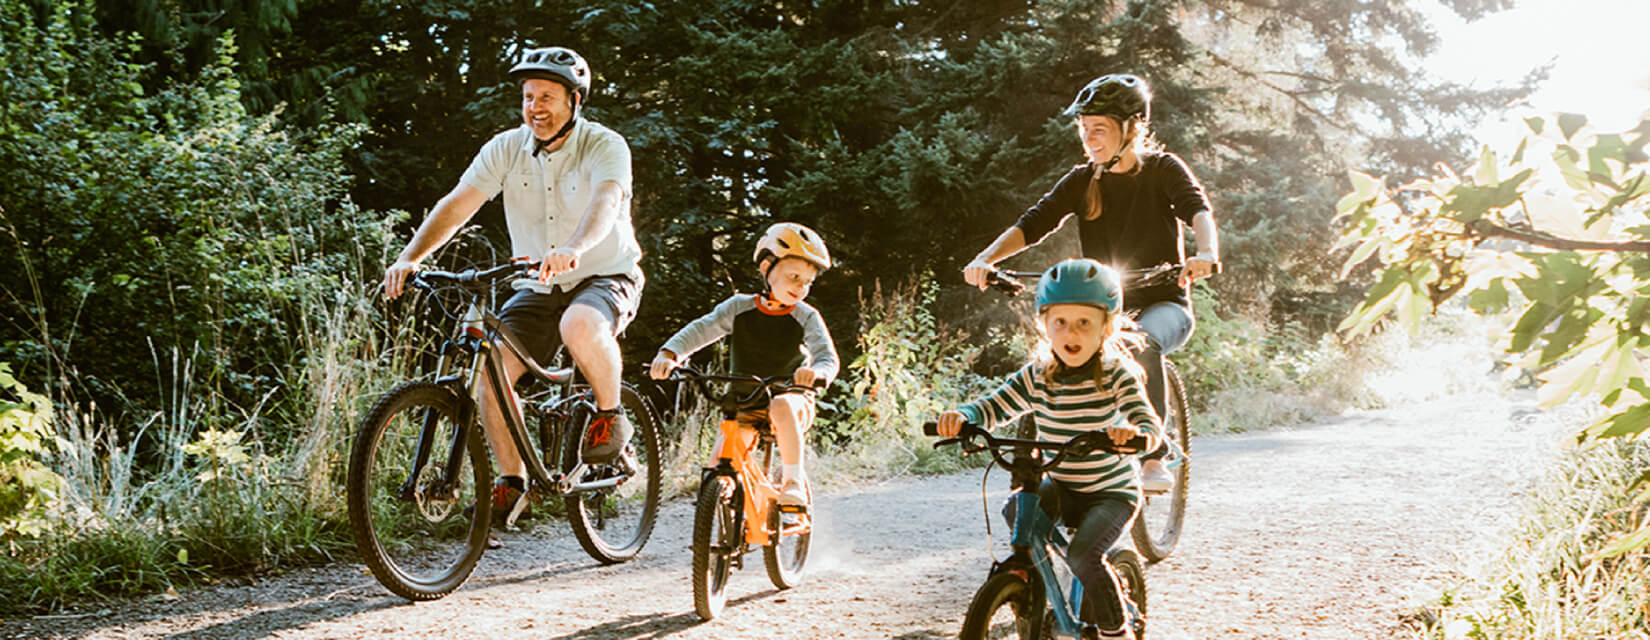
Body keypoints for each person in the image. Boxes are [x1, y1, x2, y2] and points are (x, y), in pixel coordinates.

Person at [381, 46, 642, 529]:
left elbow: (606, 202)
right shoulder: (506, 148)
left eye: (547, 96)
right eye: (528, 96)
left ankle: (611, 416)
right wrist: (410, 258)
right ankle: (513, 483)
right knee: (489, 371)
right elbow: (459, 203)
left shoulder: (605, 145)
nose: (535, 108)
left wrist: (576, 247)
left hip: (605, 272)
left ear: (574, 102)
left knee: (580, 324)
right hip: (538, 283)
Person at [962, 73, 1218, 492]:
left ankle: (1154, 454)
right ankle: (1036, 464)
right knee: (1052, 354)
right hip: (1102, 310)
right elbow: (1035, 222)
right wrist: (986, 259)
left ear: (1131, 128)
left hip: (1164, 305)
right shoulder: (1083, 180)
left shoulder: (1162, 170)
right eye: (1084, 130)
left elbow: (1197, 210)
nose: (1089, 138)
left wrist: (1205, 253)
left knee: (1141, 342)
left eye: (1099, 128)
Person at [936, 258, 1162, 640]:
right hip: (1064, 485)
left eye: (1084, 323)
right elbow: (995, 405)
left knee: (1083, 557)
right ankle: (1039, 590)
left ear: (1107, 327)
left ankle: (1115, 631)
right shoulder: (1038, 374)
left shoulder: (1116, 374)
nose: (1070, 333)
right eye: (1060, 322)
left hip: (1111, 493)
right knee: (1017, 510)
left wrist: (1133, 433)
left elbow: (1150, 427)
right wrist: (963, 416)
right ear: (1045, 324)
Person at [648, 223, 839, 508]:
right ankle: (718, 542)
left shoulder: (805, 315)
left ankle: (793, 482)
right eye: (794, 276)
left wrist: (817, 373)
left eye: (807, 282)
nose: (801, 287)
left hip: (792, 399)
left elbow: (827, 357)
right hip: (745, 402)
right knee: (718, 467)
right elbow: (703, 328)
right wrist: (670, 353)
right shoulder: (740, 307)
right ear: (766, 267)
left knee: (782, 406)